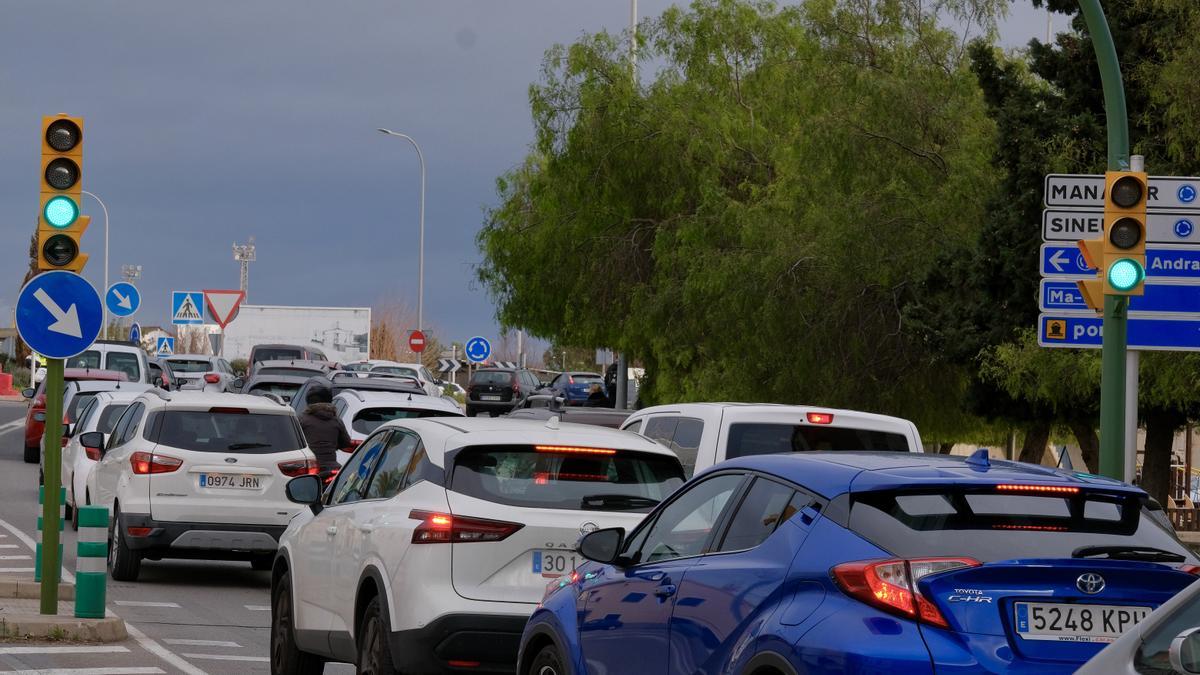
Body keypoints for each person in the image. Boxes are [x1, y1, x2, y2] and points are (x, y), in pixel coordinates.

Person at [298, 385, 351, 472]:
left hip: (309, 466)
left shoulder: (301, 419)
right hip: (332, 466)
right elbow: (346, 442)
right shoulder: (337, 420)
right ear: (329, 400)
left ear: (308, 401)